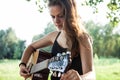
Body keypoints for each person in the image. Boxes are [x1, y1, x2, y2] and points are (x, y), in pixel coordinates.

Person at [19, 0, 96, 80]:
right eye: (53, 16)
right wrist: (22, 64)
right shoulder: (53, 36)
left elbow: (91, 75)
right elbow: (30, 47)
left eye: (61, 16)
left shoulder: (82, 39)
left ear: (70, 15)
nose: (56, 21)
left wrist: (80, 78)